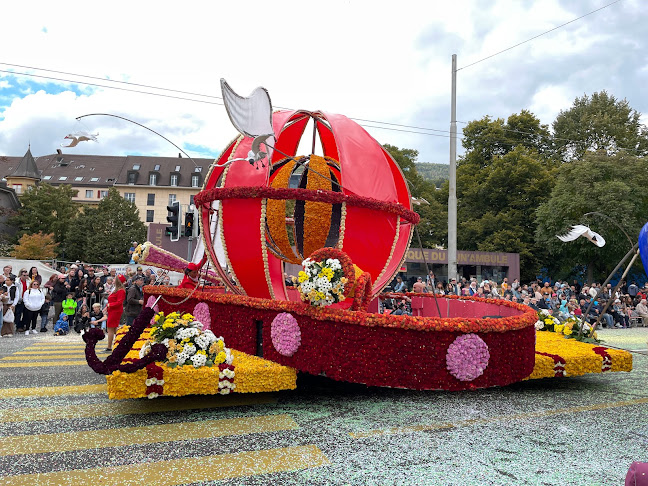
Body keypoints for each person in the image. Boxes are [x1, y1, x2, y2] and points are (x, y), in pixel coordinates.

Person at [106, 275, 127, 351]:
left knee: (110, 328)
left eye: (115, 278)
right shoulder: (116, 289)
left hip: (115, 310)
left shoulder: (121, 290)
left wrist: (110, 305)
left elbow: (119, 302)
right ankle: (122, 341)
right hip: (112, 310)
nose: (113, 279)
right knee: (114, 328)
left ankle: (109, 347)